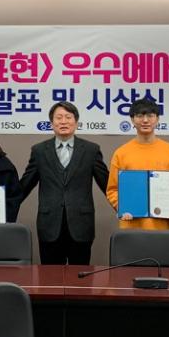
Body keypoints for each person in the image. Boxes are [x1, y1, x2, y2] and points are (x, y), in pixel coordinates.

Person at [20, 101, 109, 265]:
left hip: (81, 224)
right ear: (51, 123)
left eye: (68, 117)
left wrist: (125, 208)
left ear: (76, 122)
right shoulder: (39, 151)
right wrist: (3, 208)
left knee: (80, 275)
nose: (63, 121)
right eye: (59, 117)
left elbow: (108, 185)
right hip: (49, 224)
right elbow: (24, 186)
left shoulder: (91, 150)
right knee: (50, 276)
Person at [106, 98, 169, 230]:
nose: (145, 120)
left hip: (164, 227)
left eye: (150, 115)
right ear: (132, 119)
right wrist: (122, 207)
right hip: (131, 226)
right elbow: (113, 189)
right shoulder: (121, 153)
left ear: (157, 119)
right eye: (140, 116)